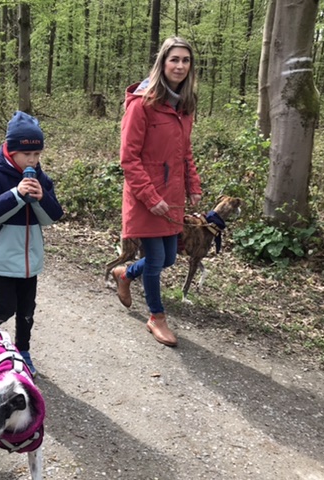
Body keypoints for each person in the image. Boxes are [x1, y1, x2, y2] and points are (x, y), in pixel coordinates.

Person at [111, 36, 202, 347]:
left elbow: (184, 152)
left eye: (185, 60)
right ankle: (156, 317)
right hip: (145, 197)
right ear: (162, 63)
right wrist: (151, 197)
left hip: (172, 196)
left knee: (168, 258)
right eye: (174, 59)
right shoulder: (142, 104)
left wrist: (193, 185)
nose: (180, 65)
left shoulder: (184, 107)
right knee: (155, 259)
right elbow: (129, 158)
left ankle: (125, 274)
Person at [0, 111, 64, 377]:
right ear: (11, 151)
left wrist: (41, 198)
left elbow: (52, 217)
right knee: (5, 307)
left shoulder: (41, 178)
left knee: (27, 310)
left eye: (37, 154)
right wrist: (16, 194)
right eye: (27, 154)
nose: (33, 160)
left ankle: (22, 351)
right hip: (3, 258)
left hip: (30, 260)